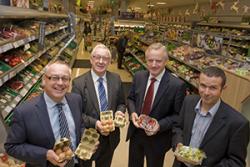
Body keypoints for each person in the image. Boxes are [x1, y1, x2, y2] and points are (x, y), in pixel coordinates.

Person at [5, 60, 85, 167]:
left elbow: (80, 126)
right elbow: (12, 146)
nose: (60, 83)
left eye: (65, 78)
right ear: (44, 80)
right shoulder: (24, 112)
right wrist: (45, 154)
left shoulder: (76, 100)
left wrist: (85, 139)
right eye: (55, 77)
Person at [172, 66, 250, 167]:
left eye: (213, 88)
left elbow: (236, 162)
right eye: (203, 86)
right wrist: (178, 144)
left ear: (223, 88)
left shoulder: (238, 123)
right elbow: (178, 127)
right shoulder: (188, 102)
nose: (206, 92)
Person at [126, 43, 186, 167]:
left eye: (158, 61)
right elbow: (130, 99)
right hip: (136, 133)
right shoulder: (139, 76)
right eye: (150, 60)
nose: (153, 64)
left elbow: (178, 116)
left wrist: (159, 125)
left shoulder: (176, 85)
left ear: (166, 61)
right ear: (146, 60)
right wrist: (132, 113)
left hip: (158, 138)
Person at [71, 44, 126, 167]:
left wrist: (119, 112)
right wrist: (96, 123)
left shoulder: (116, 79)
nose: (101, 61)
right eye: (97, 57)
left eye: (105, 58)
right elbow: (76, 113)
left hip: (110, 138)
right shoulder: (79, 83)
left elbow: (122, 103)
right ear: (91, 59)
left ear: (109, 61)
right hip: (88, 137)